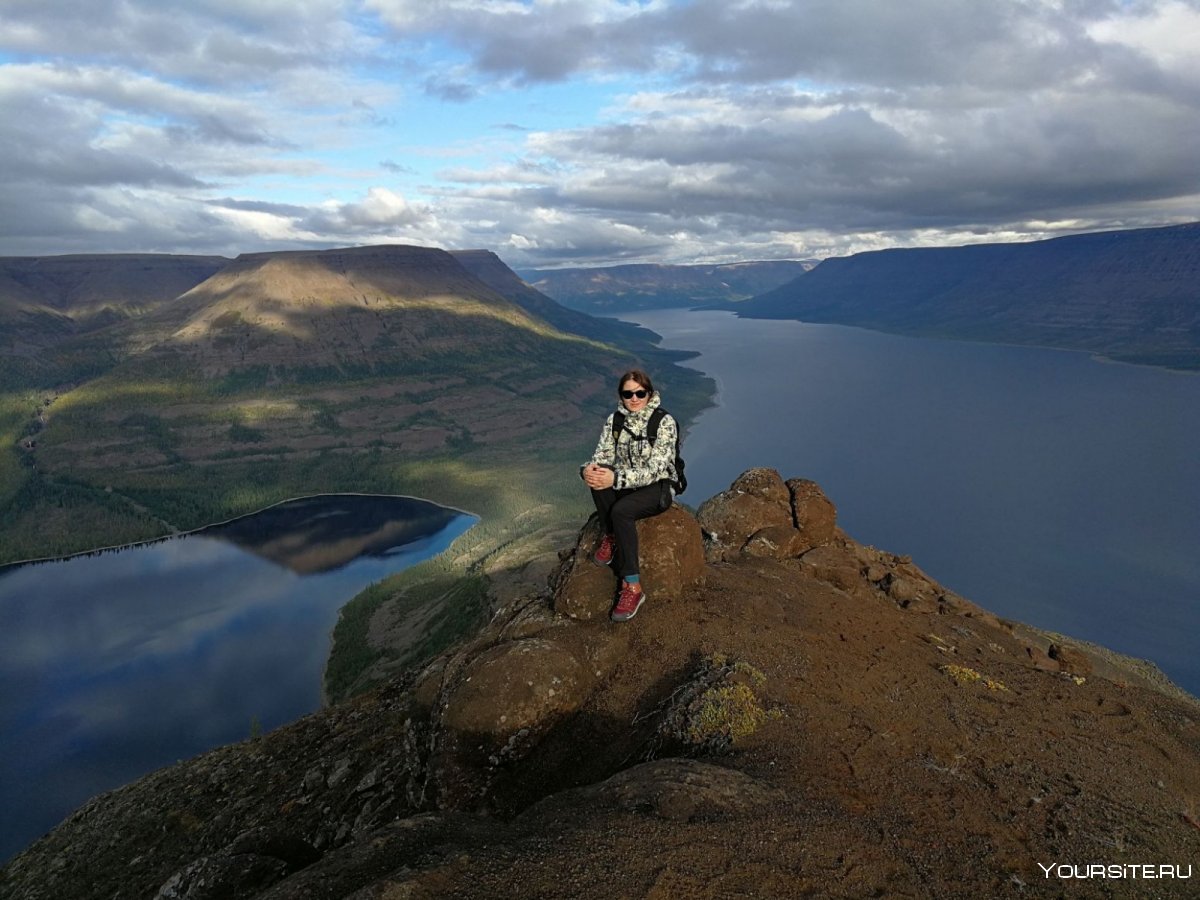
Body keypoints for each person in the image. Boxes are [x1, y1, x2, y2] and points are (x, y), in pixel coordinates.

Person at [581, 369, 679, 622]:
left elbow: (656, 469)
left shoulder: (663, 422)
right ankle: (612, 536)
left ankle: (633, 587)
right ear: (621, 396)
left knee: (621, 511)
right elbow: (602, 456)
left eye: (639, 393)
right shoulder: (615, 421)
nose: (634, 398)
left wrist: (617, 478)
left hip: (658, 486)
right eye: (628, 393)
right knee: (598, 478)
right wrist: (588, 470)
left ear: (649, 393)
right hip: (627, 483)